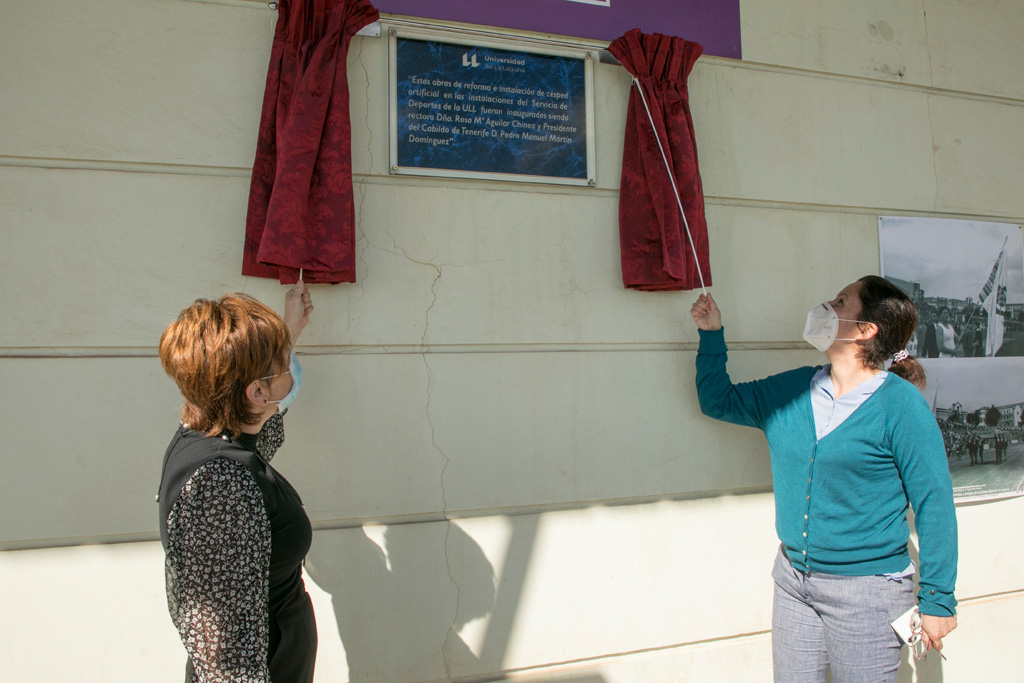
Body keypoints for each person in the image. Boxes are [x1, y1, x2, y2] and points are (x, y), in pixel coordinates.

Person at [690, 275, 958, 682]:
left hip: (868, 593)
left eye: (841, 300)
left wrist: (938, 600)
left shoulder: (902, 407)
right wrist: (711, 335)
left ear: (866, 330)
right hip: (794, 582)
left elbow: (934, 503)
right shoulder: (793, 390)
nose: (827, 305)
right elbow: (718, 400)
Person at [157, 282, 316, 682]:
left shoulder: (206, 433)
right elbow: (227, 658)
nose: (290, 371)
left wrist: (287, 333)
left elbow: (259, 434)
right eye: (284, 365)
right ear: (258, 391)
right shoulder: (219, 487)